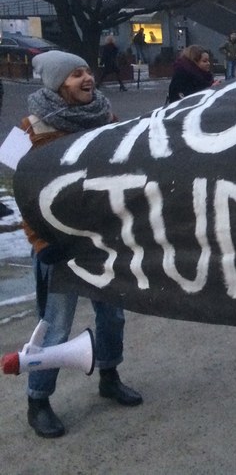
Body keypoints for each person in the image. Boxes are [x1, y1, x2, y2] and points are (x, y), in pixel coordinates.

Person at [20, 51, 143, 438]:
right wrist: (41, 243)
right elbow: (23, 196)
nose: (87, 78)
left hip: (104, 241)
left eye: (88, 71)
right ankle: (38, 400)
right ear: (57, 84)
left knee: (113, 317)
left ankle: (109, 375)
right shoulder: (30, 129)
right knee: (54, 327)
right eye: (75, 75)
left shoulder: (107, 118)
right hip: (57, 246)